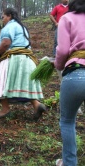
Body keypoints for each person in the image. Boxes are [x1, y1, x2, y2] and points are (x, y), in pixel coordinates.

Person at [0, 8, 46, 121]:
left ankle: (5, 109)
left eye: (3, 17)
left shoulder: (9, 26)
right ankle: (37, 105)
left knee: (1, 82)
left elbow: (6, 43)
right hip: (27, 59)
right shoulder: (22, 27)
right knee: (23, 84)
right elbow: (16, 43)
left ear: (9, 16)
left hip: (14, 59)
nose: (3, 19)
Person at [54, 0, 85, 165]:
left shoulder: (67, 18)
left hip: (76, 74)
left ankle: (69, 163)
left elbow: (63, 50)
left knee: (67, 121)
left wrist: (58, 65)